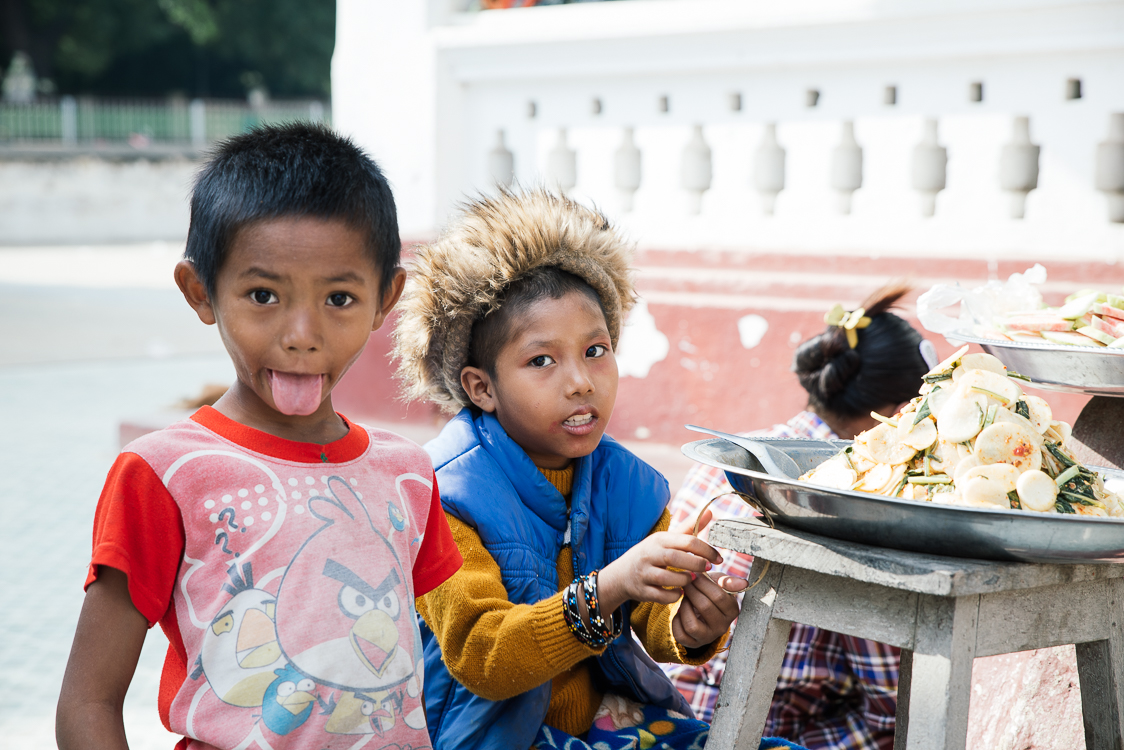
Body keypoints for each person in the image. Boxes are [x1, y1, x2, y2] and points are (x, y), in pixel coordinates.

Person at [56, 123, 463, 750]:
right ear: (201, 292)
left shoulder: (406, 473)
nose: (302, 333)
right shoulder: (164, 473)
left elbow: (449, 660)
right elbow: (88, 702)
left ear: (386, 298)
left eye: (339, 298)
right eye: (264, 294)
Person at [392, 188, 804, 750]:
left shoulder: (623, 481)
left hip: (597, 723)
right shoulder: (445, 492)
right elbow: (484, 657)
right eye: (542, 360)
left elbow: (650, 619)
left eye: (595, 350)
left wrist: (692, 623)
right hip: (484, 736)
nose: (581, 381)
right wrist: (609, 587)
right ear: (481, 387)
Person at [663, 284, 932, 750]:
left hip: (660, 716)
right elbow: (890, 709)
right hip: (746, 732)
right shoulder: (860, 501)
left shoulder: (726, 457)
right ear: (901, 414)